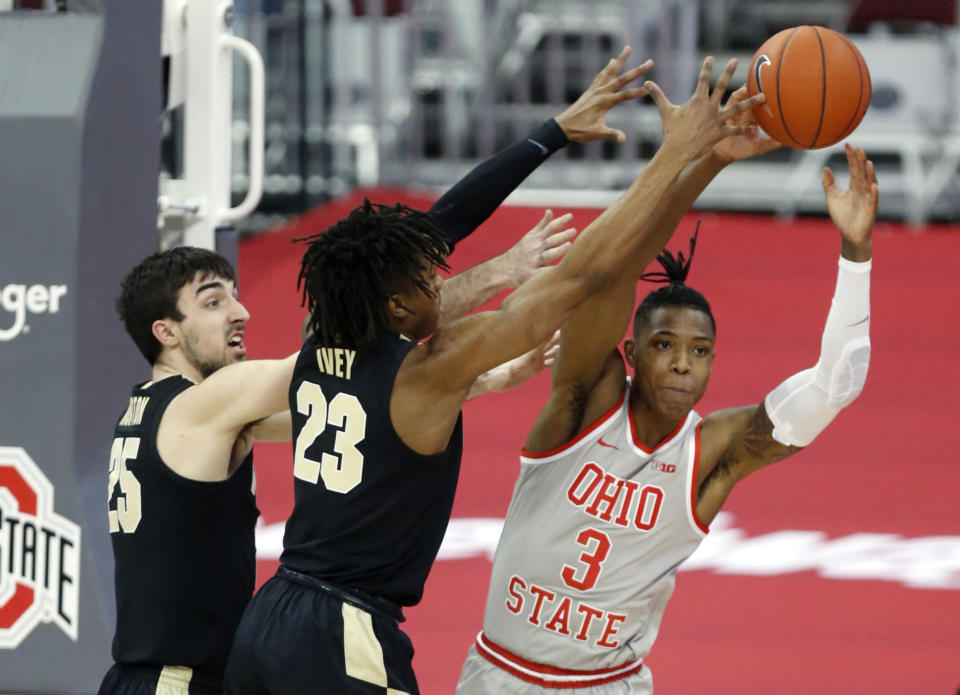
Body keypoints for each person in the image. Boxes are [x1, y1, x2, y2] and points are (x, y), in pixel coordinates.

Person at [98, 44, 664, 695]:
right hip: (196, 675)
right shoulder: (204, 402)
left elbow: (358, 403)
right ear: (164, 331)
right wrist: (500, 273)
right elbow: (364, 343)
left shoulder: (165, 413)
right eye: (213, 301)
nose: (242, 311)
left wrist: (482, 382)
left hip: (217, 657)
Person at [223, 55, 764, 695]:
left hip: (269, 617)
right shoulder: (429, 369)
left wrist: (555, 131)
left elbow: (440, 225)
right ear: (396, 306)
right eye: (431, 278)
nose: (441, 276)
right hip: (343, 635)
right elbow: (581, 278)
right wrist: (676, 156)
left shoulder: (325, 334)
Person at [455, 131, 877, 695]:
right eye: (664, 345)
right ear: (630, 353)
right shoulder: (586, 403)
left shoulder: (712, 453)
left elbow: (835, 384)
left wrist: (856, 251)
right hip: (503, 677)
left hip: (611, 685)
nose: (683, 364)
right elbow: (610, 267)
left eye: (699, 352)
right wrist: (704, 158)